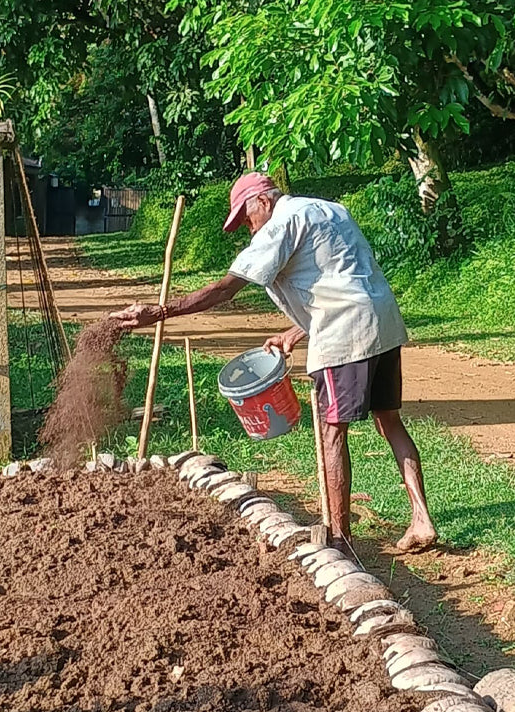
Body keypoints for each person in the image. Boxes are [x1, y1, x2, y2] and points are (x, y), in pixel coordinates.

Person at [110, 173, 438, 552]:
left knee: (333, 432)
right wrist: (294, 332)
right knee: (389, 421)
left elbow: (226, 289)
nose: (248, 228)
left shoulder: (280, 224)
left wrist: (161, 311)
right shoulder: (329, 210)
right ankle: (421, 520)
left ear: (263, 201)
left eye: (246, 218)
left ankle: (339, 537)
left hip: (345, 332)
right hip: (382, 319)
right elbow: (336, 278)